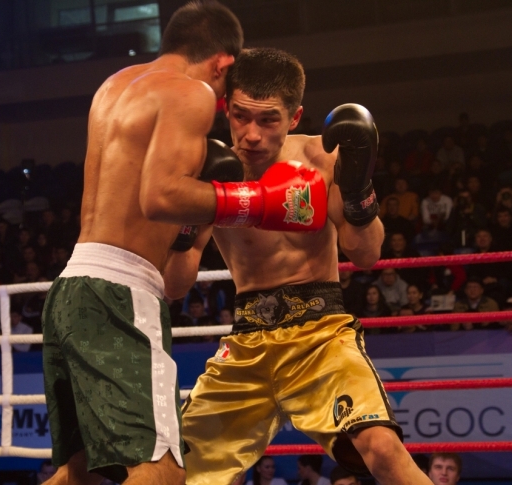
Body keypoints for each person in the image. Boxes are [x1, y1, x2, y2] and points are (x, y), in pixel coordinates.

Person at [41, 7, 326, 485]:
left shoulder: (115, 86)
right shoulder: (190, 93)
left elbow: (173, 274)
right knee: (164, 473)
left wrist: (194, 223)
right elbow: (159, 196)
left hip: (72, 287)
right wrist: (260, 202)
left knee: (80, 472)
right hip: (120, 294)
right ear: (222, 63)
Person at [166, 48, 430, 484]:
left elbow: (366, 254)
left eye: (267, 119)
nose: (250, 134)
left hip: (320, 335)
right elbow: (176, 286)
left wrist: (358, 183)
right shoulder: (206, 171)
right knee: (177, 472)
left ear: (294, 117)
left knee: (381, 448)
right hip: (248, 343)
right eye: (239, 116)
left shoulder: (320, 157)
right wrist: (188, 220)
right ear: (226, 109)